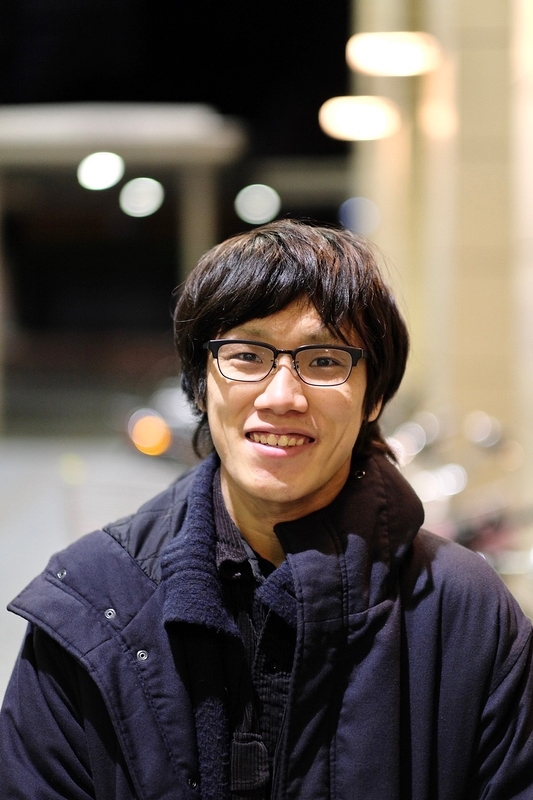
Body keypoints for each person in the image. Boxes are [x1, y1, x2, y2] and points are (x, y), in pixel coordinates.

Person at [1, 219, 532, 800]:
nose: (282, 396)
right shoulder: (90, 602)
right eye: (248, 355)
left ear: (374, 396)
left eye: (324, 360)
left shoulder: (466, 613)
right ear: (200, 385)